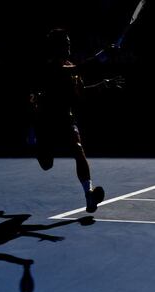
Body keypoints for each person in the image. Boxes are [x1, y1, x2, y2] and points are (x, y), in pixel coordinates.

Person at [27, 28, 123, 213]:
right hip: (46, 121)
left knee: (78, 149)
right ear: (56, 47)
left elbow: (82, 91)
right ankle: (34, 142)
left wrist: (103, 85)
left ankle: (89, 194)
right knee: (46, 165)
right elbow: (81, 68)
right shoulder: (53, 67)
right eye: (65, 42)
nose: (69, 45)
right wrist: (104, 54)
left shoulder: (70, 67)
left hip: (66, 119)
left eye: (69, 41)